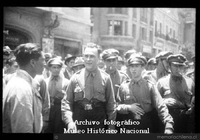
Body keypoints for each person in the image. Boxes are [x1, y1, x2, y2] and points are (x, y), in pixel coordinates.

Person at [61, 43, 116, 133]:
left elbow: (111, 104)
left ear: (98, 59)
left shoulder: (106, 78)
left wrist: (111, 125)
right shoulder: (75, 78)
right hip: (79, 121)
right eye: (86, 56)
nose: (88, 59)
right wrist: (69, 122)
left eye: (92, 56)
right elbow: (67, 102)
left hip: (99, 121)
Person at [116, 54, 174, 134]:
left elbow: (160, 106)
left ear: (142, 68)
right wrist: (128, 107)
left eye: (136, 66)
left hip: (146, 125)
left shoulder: (150, 86)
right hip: (128, 126)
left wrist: (168, 124)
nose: (133, 69)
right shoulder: (123, 86)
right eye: (131, 66)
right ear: (129, 68)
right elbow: (116, 106)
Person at [3, 43, 45, 133]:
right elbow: (23, 129)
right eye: (43, 60)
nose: (45, 64)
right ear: (33, 62)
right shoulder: (22, 88)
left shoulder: (20, 83)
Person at [156, 54, 195, 133]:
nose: (178, 69)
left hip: (185, 121)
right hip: (168, 120)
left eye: (180, 66)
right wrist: (164, 101)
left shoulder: (190, 82)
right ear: (170, 66)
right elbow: (154, 102)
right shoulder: (162, 82)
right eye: (175, 66)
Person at [45, 57, 69, 133]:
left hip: (60, 109)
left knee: (59, 129)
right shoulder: (45, 82)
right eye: (54, 67)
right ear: (50, 69)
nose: (56, 69)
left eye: (58, 67)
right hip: (48, 109)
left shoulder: (66, 82)